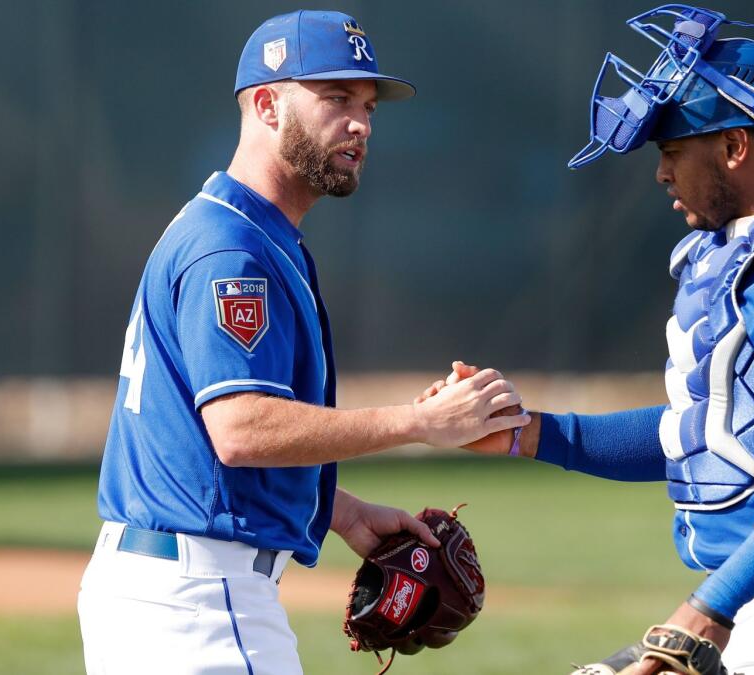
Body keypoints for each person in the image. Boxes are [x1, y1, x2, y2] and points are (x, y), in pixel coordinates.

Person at [422, 6, 754, 674]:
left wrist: (706, 609)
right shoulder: (747, 254)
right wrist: (531, 433)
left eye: (672, 152)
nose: (662, 174)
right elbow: (706, 435)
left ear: (733, 146)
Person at [76, 10, 529, 675]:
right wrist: (420, 422)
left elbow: (210, 455)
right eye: (336, 98)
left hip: (167, 594)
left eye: (369, 105)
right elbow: (239, 429)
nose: (361, 123)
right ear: (266, 105)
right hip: (199, 604)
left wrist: (336, 509)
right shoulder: (231, 251)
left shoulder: (245, 231)